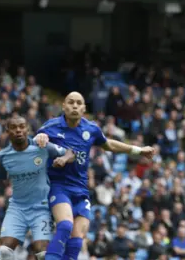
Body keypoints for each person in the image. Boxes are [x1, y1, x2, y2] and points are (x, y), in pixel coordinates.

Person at [36, 92, 155, 260]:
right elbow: (32, 145)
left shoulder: (91, 129)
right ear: (64, 106)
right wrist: (38, 138)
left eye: (79, 103)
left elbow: (109, 145)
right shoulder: (50, 127)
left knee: (77, 240)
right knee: (64, 226)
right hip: (59, 186)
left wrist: (138, 150)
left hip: (81, 190)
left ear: (84, 108)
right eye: (71, 102)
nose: (75, 106)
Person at [0, 117, 75, 260]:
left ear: (27, 129)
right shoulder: (4, 157)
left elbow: (71, 153)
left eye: (22, 126)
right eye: (14, 127)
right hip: (17, 207)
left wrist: (64, 159)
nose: (18, 130)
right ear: (7, 131)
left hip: (41, 207)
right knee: (4, 250)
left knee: (42, 252)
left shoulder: (42, 146)